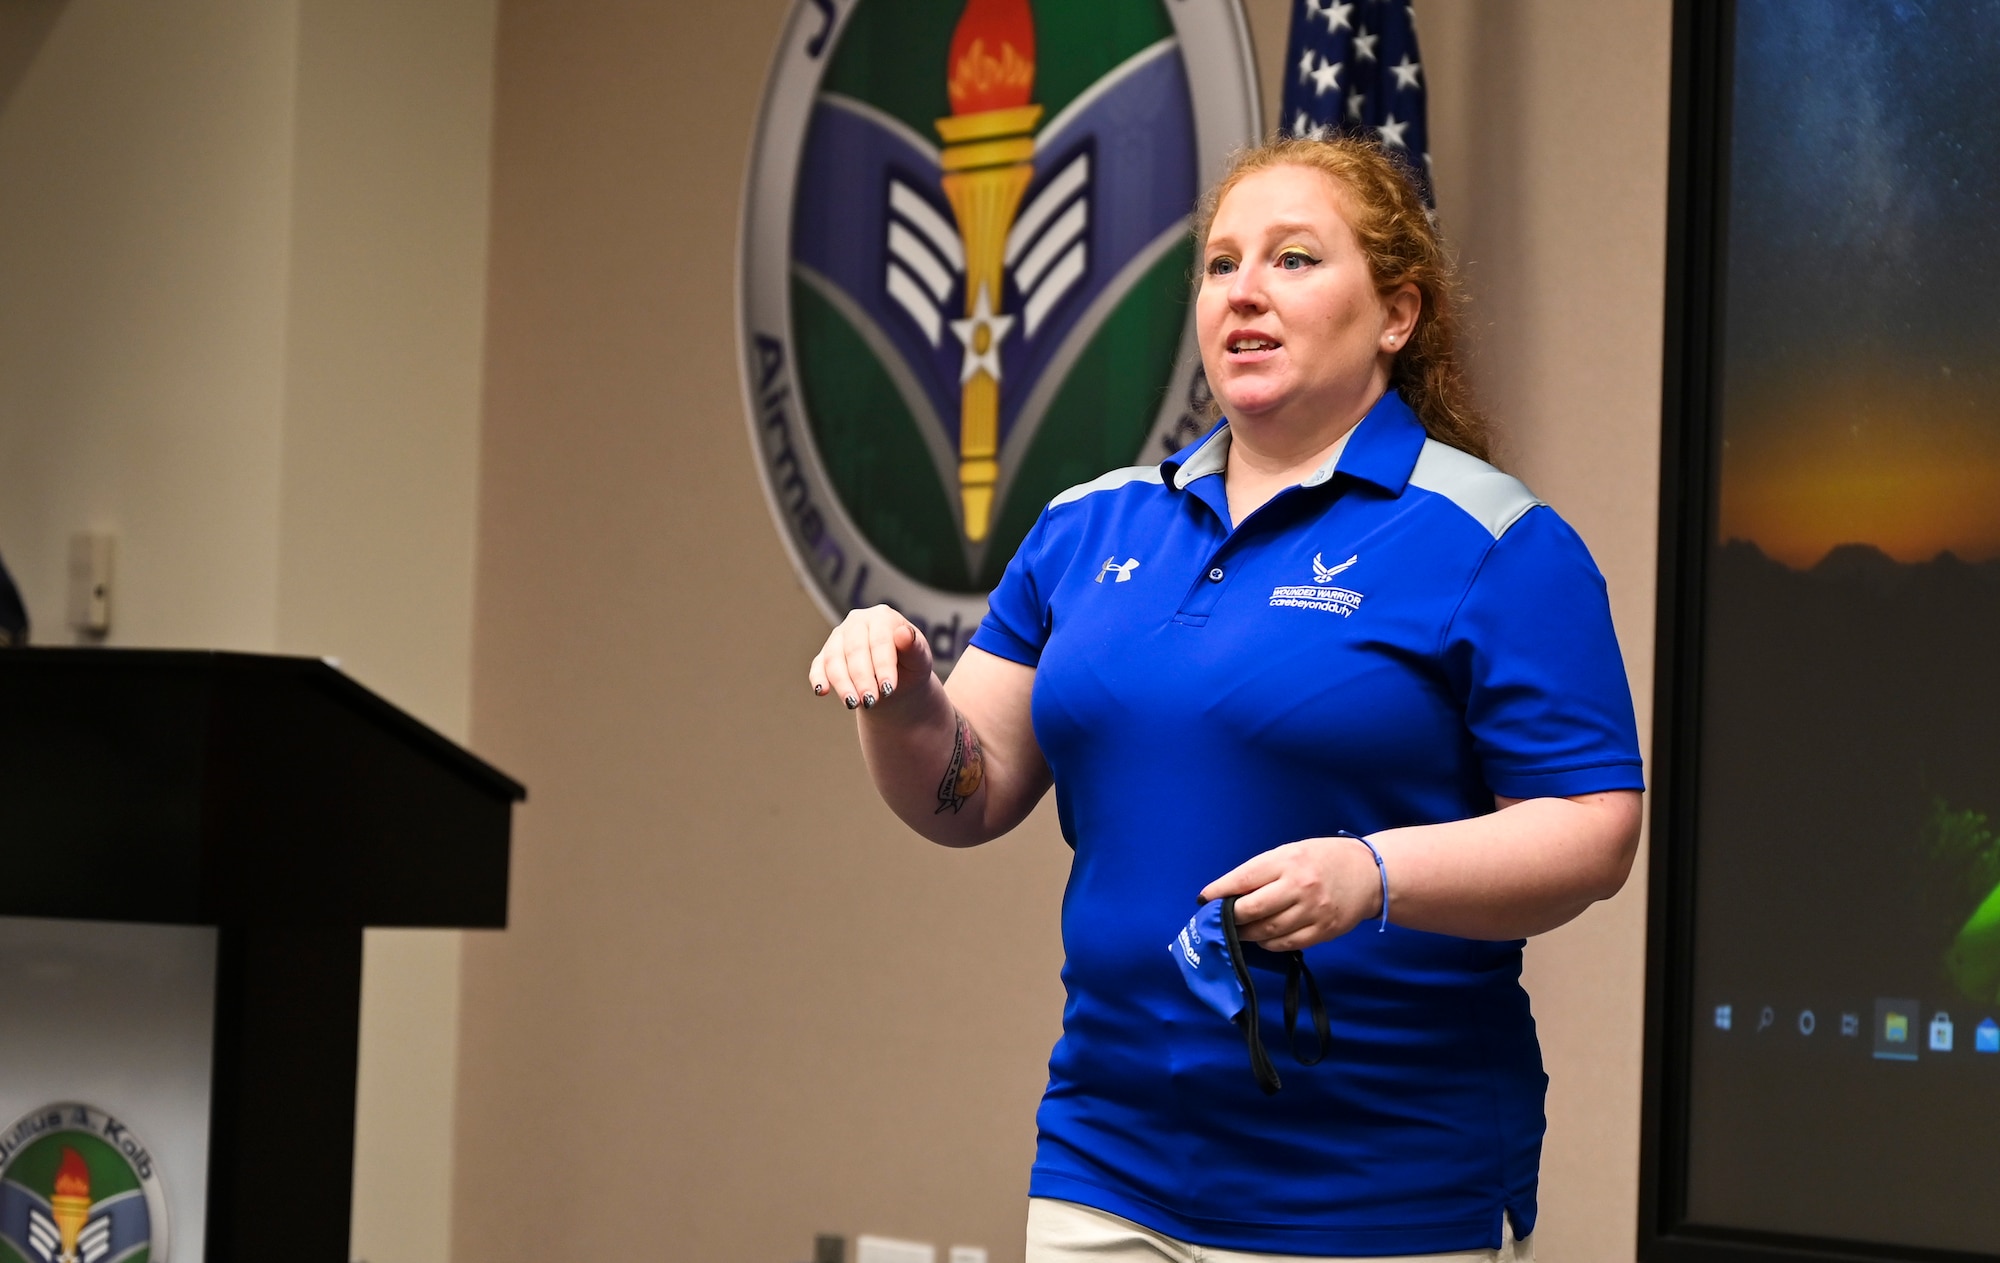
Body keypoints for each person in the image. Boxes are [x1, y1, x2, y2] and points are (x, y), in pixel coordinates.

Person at [808, 136, 1643, 1263]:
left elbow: (1594, 832)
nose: (1242, 290)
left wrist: (1371, 875)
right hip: (1105, 1164)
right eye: (1219, 265)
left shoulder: (1496, 542)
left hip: (1375, 1185)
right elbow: (967, 795)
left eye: (1293, 259)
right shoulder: (1085, 527)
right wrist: (900, 697)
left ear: (1396, 312)